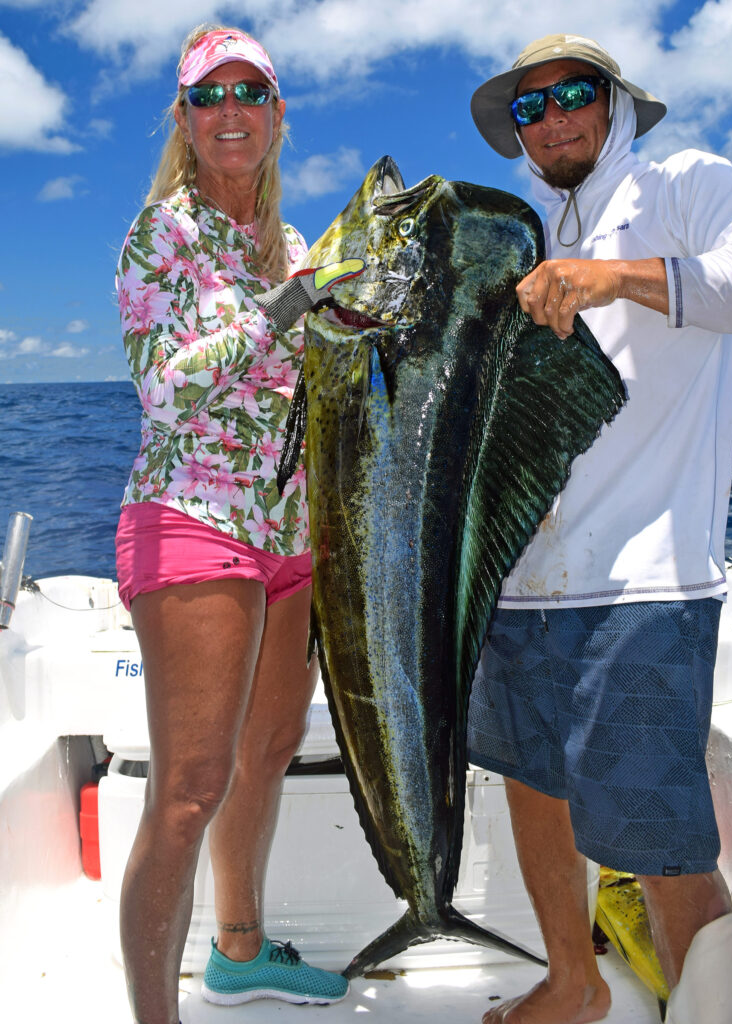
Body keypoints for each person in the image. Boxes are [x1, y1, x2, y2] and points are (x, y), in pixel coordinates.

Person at [466, 32, 732, 1024]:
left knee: (660, 843)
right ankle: (574, 978)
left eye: (573, 94)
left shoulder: (682, 184)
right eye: (531, 106)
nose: (553, 117)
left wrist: (617, 277)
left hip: (643, 585)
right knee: (530, 784)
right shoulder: (522, 235)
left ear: (616, 101)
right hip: (523, 583)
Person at [114, 24, 363, 1024]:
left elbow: (317, 376)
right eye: (208, 96)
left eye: (248, 93)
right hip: (192, 521)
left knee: (265, 752)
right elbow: (167, 390)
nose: (230, 112)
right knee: (188, 791)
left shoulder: (298, 245)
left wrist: (351, 319)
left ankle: (238, 953)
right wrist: (291, 306)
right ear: (185, 118)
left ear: (277, 117)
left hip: (292, 540)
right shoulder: (160, 233)